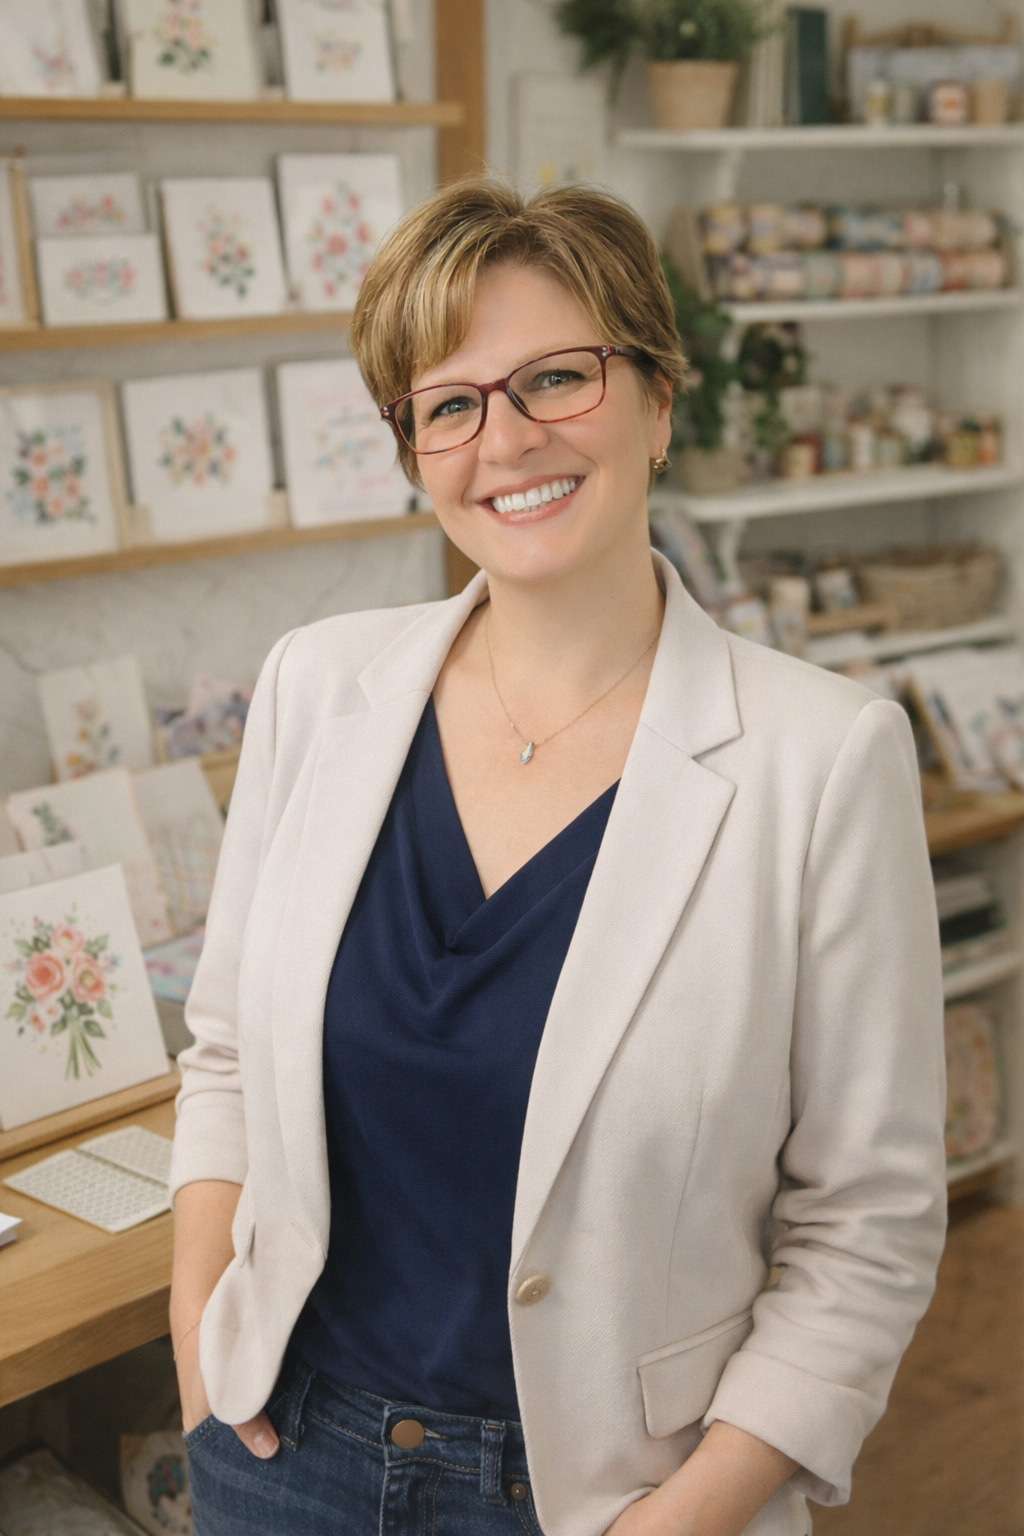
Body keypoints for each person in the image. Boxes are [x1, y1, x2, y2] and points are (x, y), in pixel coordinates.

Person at [169, 181, 947, 1536]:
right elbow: (230, 1050)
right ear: (416, 451)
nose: (507, 438)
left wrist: (692, 1512)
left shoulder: (820, 759)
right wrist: (196, 1336)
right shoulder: (318, 688)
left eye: (556, 377)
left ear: (657, 397)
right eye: (450, 403)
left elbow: (867, 1220)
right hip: (287, 1451)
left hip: (608, 1496)